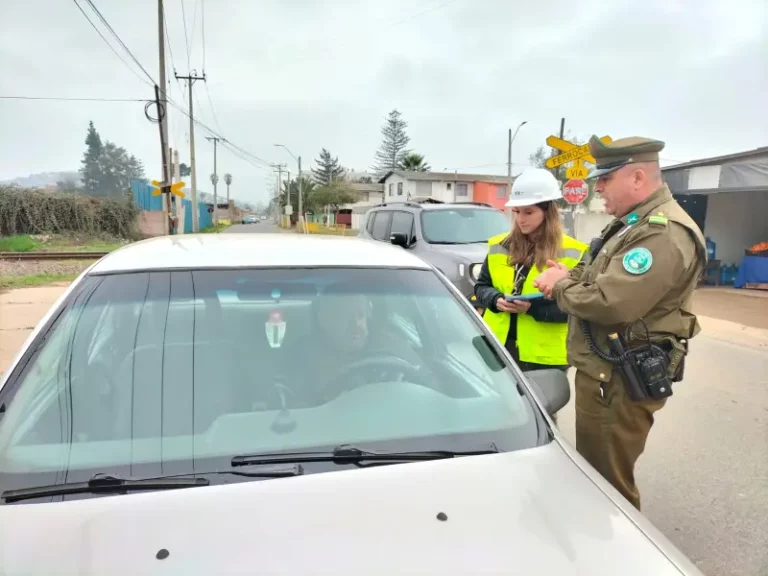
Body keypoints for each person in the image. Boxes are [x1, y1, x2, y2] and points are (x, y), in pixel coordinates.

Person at [533, 135, 707, 511]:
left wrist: (559, 285)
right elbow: (592, 274)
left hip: (619, 381)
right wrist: (567, 277)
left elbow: (610, 302)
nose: (599, 188)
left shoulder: (662, 232)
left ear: (638, 178)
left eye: (606, 179)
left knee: (608, 486)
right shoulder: (631, 225)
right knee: (596, 477)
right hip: (605, 374)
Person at [474, 168, 588, 372]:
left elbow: (579, 309)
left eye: (528, 212)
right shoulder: (499, 245)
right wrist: (495, 299)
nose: (520, 219)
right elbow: (481, 287)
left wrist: (531, 309)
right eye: (517, 212)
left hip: (544, 357)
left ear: (548, 212)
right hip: (499, 349)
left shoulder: (575, 253)